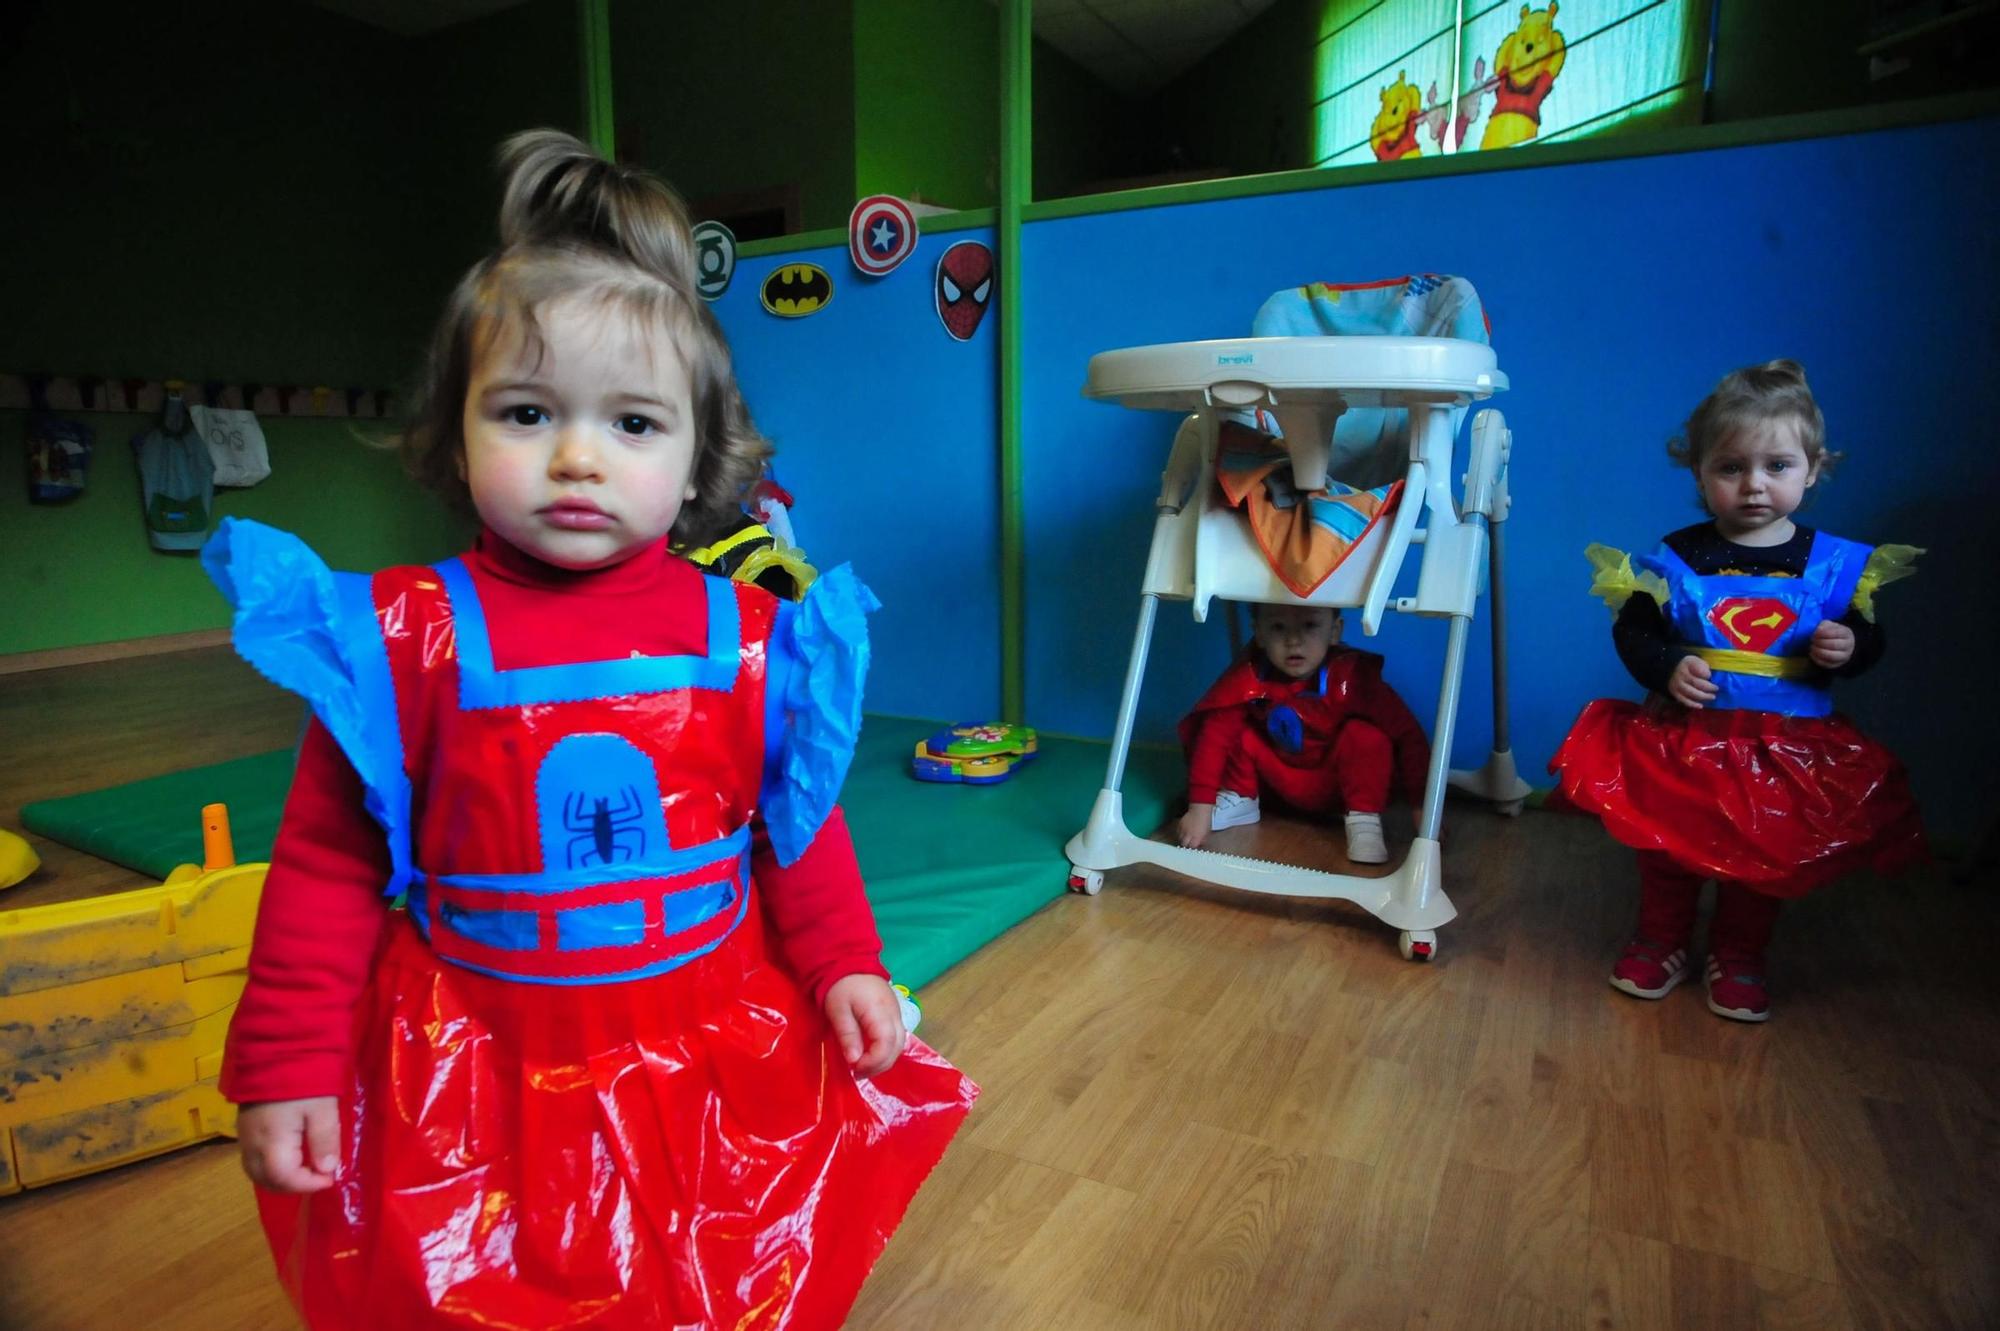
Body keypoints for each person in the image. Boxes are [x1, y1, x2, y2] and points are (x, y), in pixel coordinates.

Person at [204, 129, 975, 1328]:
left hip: (708, 1047)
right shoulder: (407, 639)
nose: (575, 457)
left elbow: (797, 822)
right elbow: (326, 859)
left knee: (703, 1276)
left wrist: (845, 960)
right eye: (524, 411)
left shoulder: (757, 638)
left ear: (698, 453)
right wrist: (290, 1059)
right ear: (453, 431)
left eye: (632, 424)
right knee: (488, 1287)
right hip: (475, 1060)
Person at [1551, 359, 1923, 1023]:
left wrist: (1850, 646)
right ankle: (1661, 938)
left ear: (1813, 468)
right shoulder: (1678, 557)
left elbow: (1868, 638)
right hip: (1691, 736)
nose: (1754, 485)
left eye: (1777, 466)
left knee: (1761, 855)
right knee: (1666, 844)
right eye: (1731, 468)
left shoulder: (1835, 564)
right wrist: (1665, 665)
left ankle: (1740, 951)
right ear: (1699, 474)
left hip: (1784, 743)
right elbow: (1635, 630)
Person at [1178, 601, 1429, 864]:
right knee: (1227, 722)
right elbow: (1213, 739)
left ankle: (1364, 819)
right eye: (1278, 627)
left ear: (1334, 631)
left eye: (1309, 626)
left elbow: (1408, 734)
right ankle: (1241, 797)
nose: (1294, 641)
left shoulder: (1352, 678)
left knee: (1366, 737)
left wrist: (1421, 806)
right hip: (1280, 782)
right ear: (1259, 634)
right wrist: (1200, 808)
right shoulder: (1250, 675)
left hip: (1338, 788)